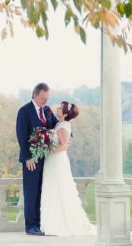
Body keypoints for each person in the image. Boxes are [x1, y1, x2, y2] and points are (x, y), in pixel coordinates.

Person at [40, 101, 97, 237]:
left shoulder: (64, 125)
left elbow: (64, 145)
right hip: (52, 160)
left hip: (57, 160)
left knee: (58, 188)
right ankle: (51, 222)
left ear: (65, 114)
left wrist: (49, 148)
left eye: (60, 108)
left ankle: (59, 224)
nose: (58, 109)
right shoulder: (60, 124)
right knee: (52, 188)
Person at [16, 82, 54, 235]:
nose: (45, 101)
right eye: (43, 98)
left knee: (42, 192)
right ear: (35, 95)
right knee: (31, 192)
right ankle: (31, 226)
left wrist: (68, 133)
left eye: (47, 98)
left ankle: (39, 224)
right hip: (31, 160)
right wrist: (27, 158)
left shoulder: (47, 110)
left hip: (46, 158)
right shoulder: (24, 111)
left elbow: (56, 126)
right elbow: (21, 136)